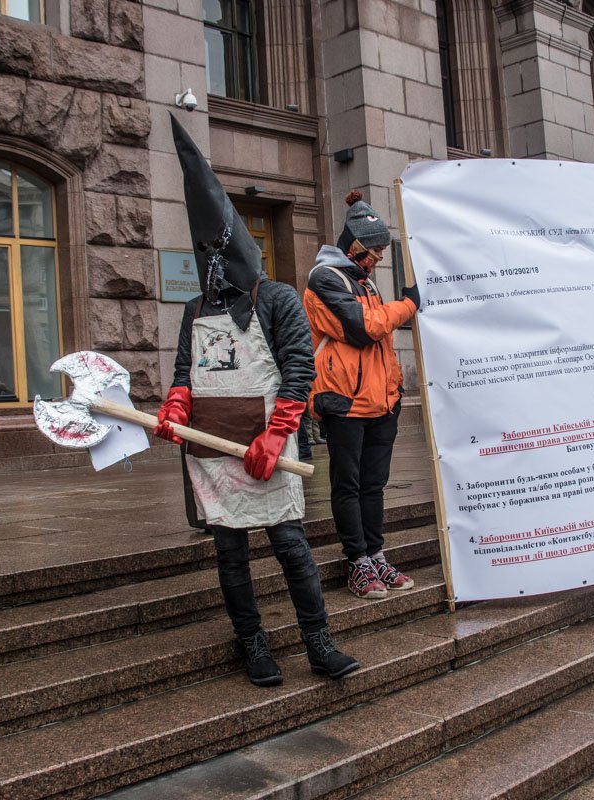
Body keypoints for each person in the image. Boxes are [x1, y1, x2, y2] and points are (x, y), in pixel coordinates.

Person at [155, 115, 357, 687]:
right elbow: (184, 371)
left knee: (292, 544)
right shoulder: (194, 310)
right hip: (214, 449)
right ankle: (254, 646)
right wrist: (175, 406)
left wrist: (279, 430)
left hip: (269, 441)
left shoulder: (280, 299)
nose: (217, 271)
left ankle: (319, 644)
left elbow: (298, 366)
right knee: (230, 554)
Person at [304, 189, 419, 599]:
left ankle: (375, 555)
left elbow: (376, 334)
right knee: (348, 485)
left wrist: (395, 390)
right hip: (345, 403)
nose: (379, 258)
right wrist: (407, 306)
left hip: (380, 403)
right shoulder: (325, 279)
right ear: (355, 247)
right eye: (375, 251)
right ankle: (357, 561)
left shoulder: (364, 283)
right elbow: (362, 327)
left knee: (373, 485)